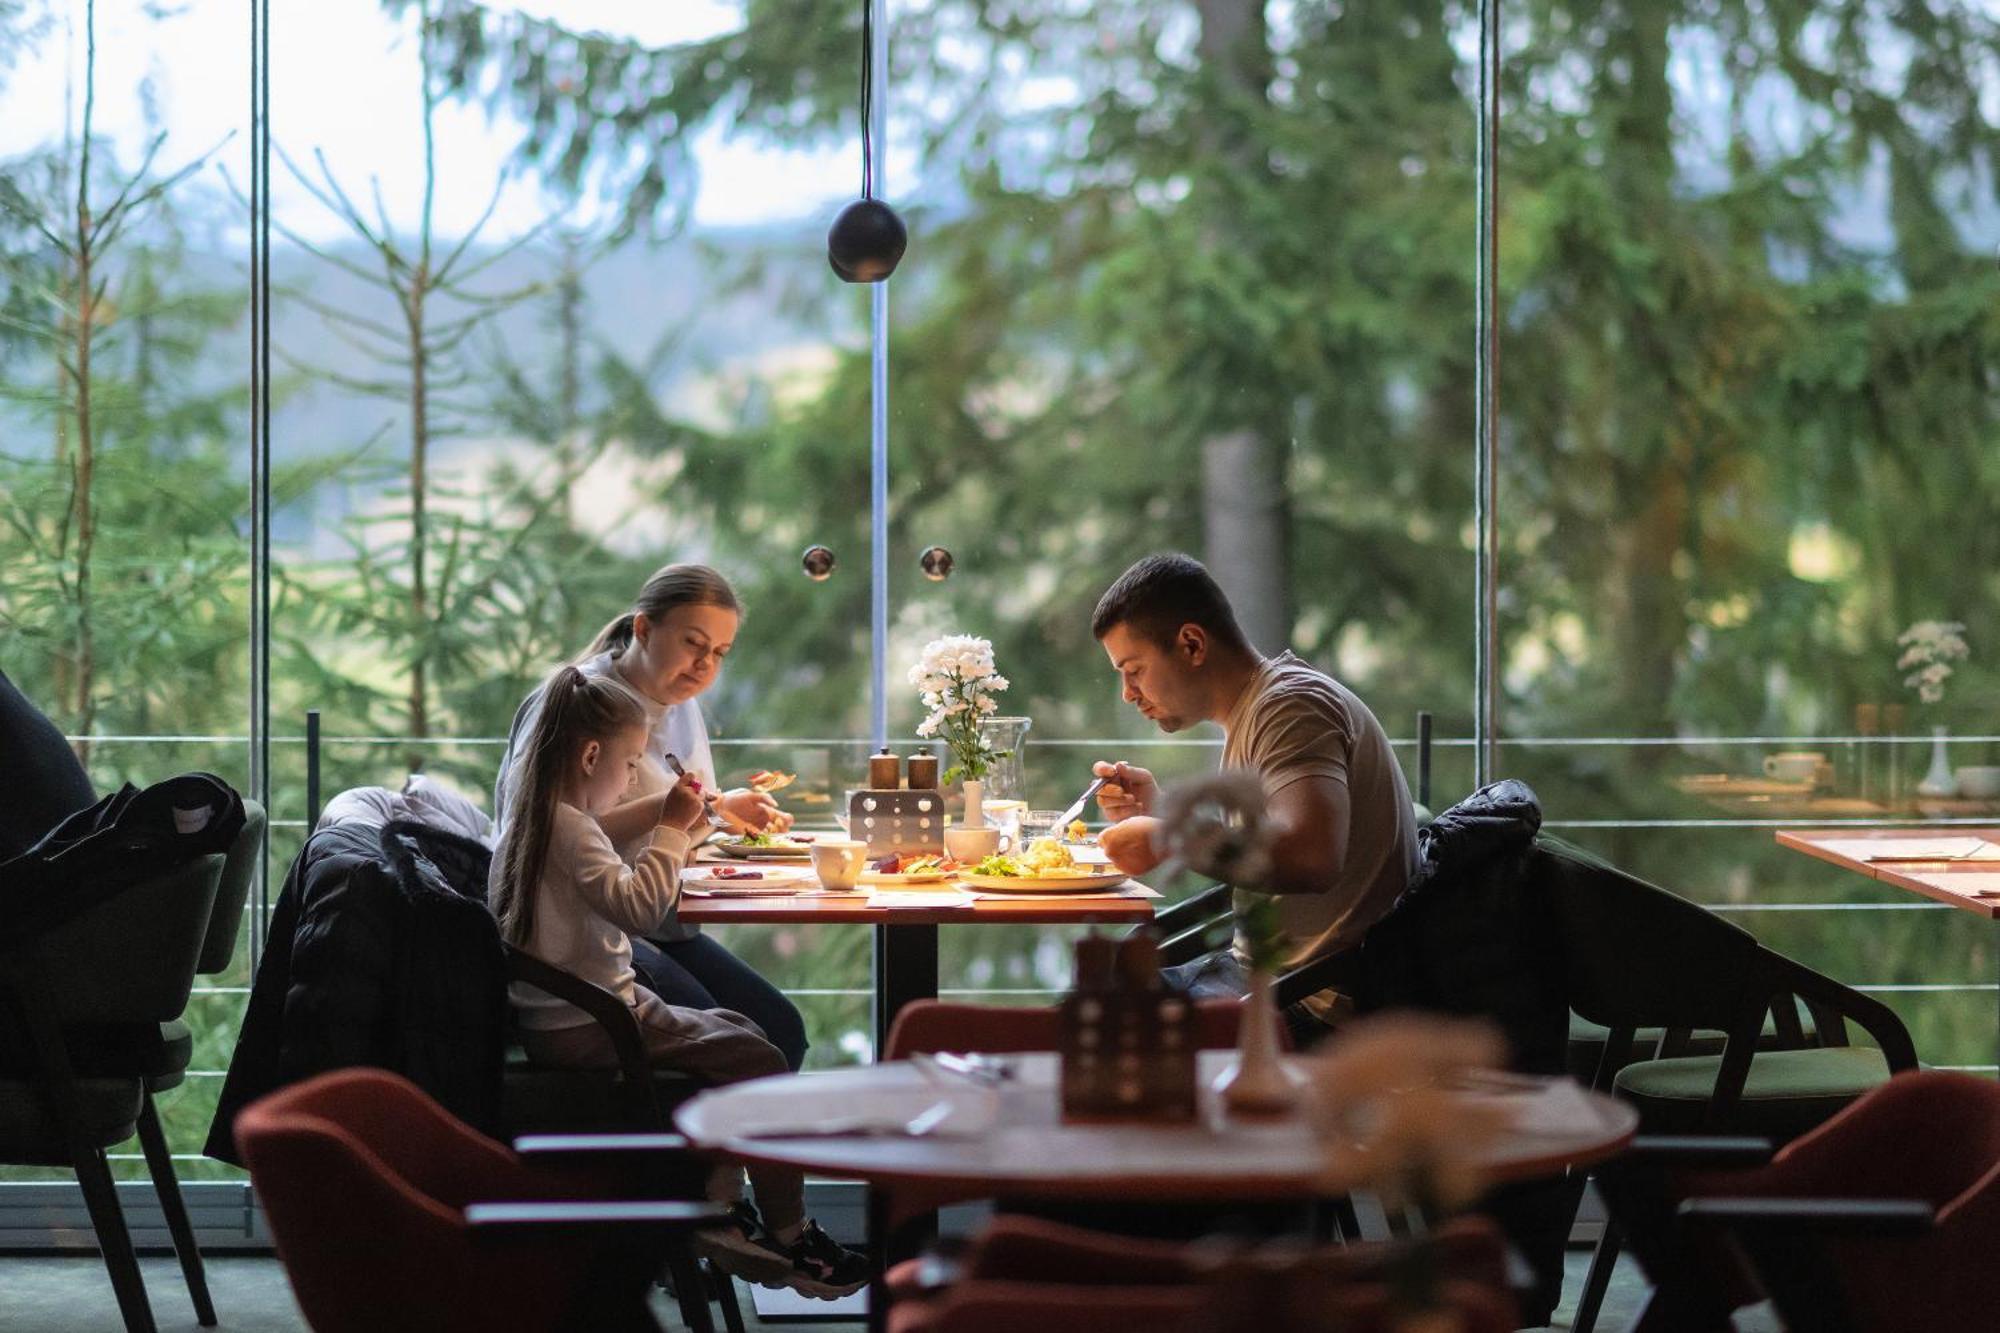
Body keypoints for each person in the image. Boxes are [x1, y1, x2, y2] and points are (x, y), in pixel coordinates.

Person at [489, 665, 867, 1298]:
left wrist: (687, 822)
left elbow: (608, 855)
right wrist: (670, 829)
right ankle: (788, 1232)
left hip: (571, 1017)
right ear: (590, 756)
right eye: (631, 762)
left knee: (737, 1031)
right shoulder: (573, 829)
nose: (634, 775)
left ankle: (717, 1205)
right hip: (595, 1025)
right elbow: (639, 909)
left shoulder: (542, 819)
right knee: (762, 1057)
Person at [1088, 553, 1418, 1046]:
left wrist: (1172, 838)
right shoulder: (1261, 708)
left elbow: (1311, 858)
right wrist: (1163, 812)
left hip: (1315, 1008)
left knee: (1099, 1025)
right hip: (1271, 978)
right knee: (1100, 993)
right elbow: (1269, 842)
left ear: (1192, 644)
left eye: (1133, 670)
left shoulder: (1292, 708)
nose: (1127, 694)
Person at [494, 564, 809, 1071]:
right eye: (693, 643)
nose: (704, 665)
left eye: (719, 654)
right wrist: (672, 824)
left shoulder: (677, 696)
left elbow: (659, 803)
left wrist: (717, 805)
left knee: (779, 1027)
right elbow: (541, 830)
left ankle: (728, 1147)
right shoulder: (582, 704)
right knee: (756, 1039)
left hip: (657, 918)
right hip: (605, 933)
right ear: (643, 628)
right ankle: (703, 1147)